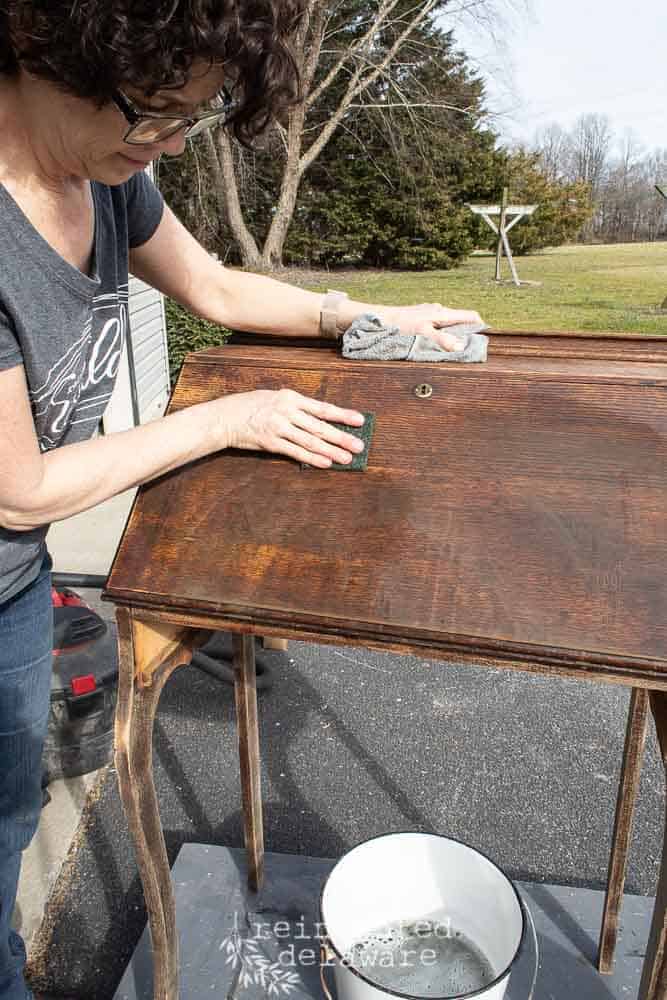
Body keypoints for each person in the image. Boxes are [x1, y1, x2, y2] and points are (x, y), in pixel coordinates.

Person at [0, 3, 484, 997]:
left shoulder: (109, 177)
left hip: (14, 583)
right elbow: (22, 489)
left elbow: (216, 289)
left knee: (6, 808)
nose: (170, 142)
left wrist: (366, 317)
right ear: (45, 52)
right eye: (155, 112)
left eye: (194, 116)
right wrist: (231, 417)